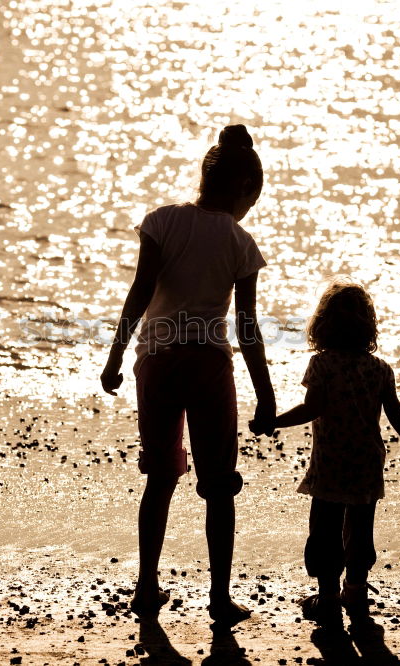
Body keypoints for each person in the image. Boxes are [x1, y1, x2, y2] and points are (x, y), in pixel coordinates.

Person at [100, 124, 276, 627]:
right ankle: (219, 599)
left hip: (155, 361)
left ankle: (146, 587)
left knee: (160, 477)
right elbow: (247, 328)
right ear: (245, 188)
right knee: (218, 484)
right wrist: (265, 396)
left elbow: (139, 293)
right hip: (207, 363)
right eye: (253, 199)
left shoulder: (161, 221)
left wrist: (114, 357)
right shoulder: (240, 243)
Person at [250, 280, 400, 628]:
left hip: (331, 462)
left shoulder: (322, 364)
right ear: (369, 326)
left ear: (322, 325)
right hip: (366, 462)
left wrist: (273, 422)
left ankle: (329, 596)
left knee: (324, 530)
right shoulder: (379, 369)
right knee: (360, 530)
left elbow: (311, 408)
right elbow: (396, 413)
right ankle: (356, 590)